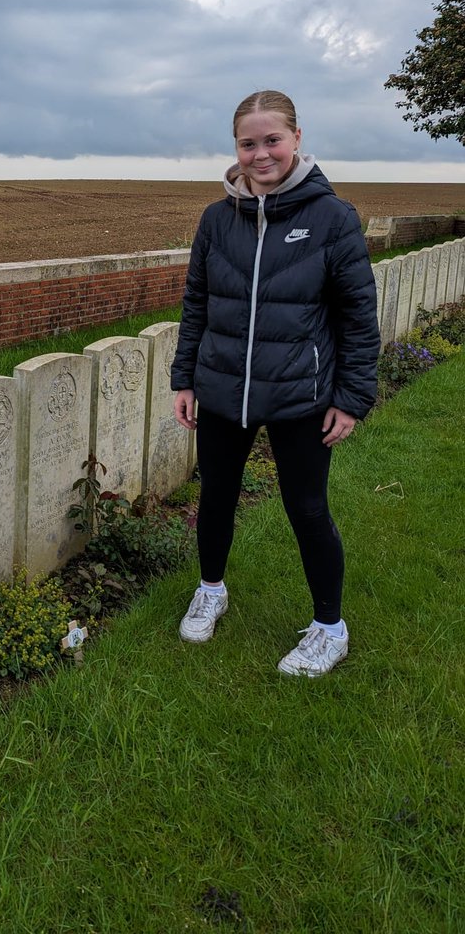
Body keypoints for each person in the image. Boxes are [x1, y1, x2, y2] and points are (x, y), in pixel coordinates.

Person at [170, 90, 380, 676]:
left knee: (308, 509)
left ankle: (329, 628)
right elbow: (197, 304)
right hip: (222, 388)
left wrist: (353, 397)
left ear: (296, 139)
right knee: (215, 497)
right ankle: (211, 589)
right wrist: (184, 377)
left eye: (272, 141)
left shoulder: (332, 219)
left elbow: (358, 317)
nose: (261, 154)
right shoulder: (217, 218)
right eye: (248, 143)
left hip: (299, 396)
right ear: (235, 147)